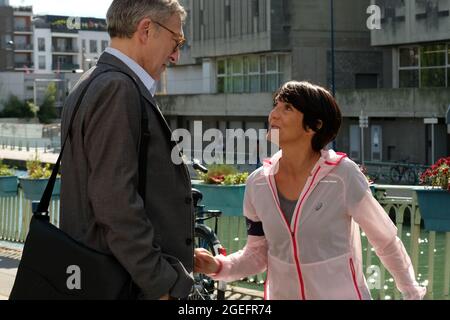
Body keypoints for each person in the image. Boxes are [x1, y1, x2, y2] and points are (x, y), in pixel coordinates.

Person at [194, 81, 426, 300]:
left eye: (287, 108)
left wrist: (411, 293)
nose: (273, 114)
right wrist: (218, 266)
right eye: (275, 106)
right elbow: (257, 253)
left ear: (315, 125)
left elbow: (385, 241)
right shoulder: (258, 184)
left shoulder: (343, 175)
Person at [60, 0, 194, 300]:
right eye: (176, 40)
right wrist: (161, 284)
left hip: (99, 275)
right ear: (146, 29)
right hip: (125, 284)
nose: (175, 55)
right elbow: (115, 202)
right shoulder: (118, 89)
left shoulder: (92, 81)